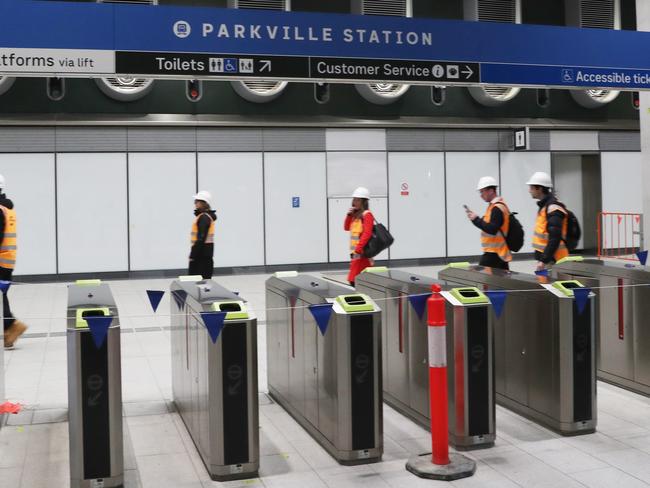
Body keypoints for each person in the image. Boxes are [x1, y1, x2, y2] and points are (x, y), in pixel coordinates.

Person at [0, 176, 27, 349]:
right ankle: (11, 328)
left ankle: (12, 326)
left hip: (1, 261)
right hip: (6, 261)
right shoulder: (6, 208)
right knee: (2, 296)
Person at [465, 176, 512, 270]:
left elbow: (492, 229)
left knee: (480, 278)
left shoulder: (497, 208)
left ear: (491, 191)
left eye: (482, 191)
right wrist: (476, 220)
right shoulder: (493, 206)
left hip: (495, 253)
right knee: (502, 281)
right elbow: (488, 225)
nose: (481, 195)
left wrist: (476, 219)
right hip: (496, 252)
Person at [527, 171, 569, 272]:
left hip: (553, 260)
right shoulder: (545, 206)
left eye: (532, 188)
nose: (529, 191)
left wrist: (543, 260)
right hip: (547, 259)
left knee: (552, 287)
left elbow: (555, 238)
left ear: (540, 188)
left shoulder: (553, 208)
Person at [344, 187, 374, 286]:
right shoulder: (355, 215)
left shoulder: (367, 215)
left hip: (361, 252)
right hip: (355, 252)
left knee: (354, 279)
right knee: (358, 279)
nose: (354, 202)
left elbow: (367, 233)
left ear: (364, 202)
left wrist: (358, 249)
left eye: (358, 200)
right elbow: (346, 227)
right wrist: (349, 215)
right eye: (354, 199)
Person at [189, 190, 216, 280]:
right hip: (205, 255)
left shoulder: (204, 217)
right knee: (204, 283)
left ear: (203, 203)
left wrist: (193, 255)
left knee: (197, 284)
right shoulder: (204, 217)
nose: (195, 203)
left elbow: (201, 238)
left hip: (201, 257)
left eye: (197, 201)